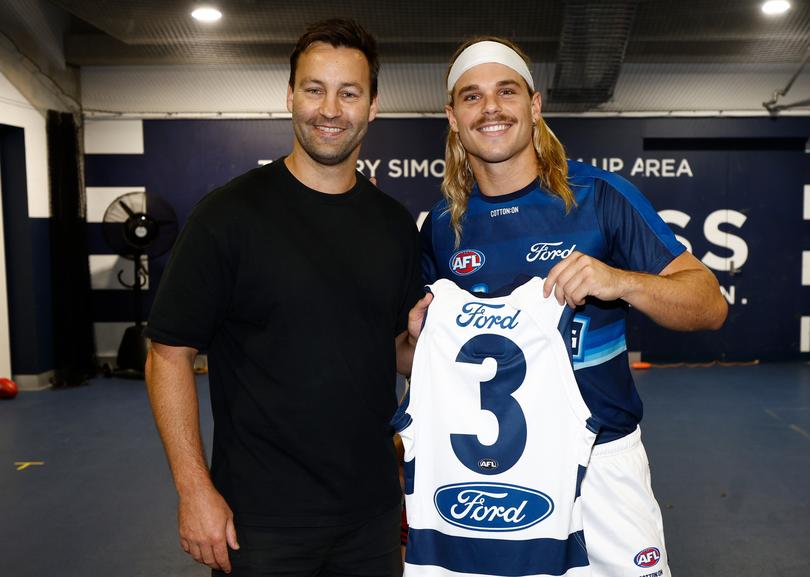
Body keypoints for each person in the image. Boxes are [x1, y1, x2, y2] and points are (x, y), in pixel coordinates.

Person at [409, 37, 728, 576]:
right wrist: (417, 339)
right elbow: (411, 359)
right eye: (472, 96)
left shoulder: (599, 196)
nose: (490, 108)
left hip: (602, 464)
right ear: (452, 116)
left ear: (534, 105)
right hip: (492, 478)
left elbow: (709, 305)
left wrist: (621, 281)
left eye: (506, 91)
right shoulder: (442, 227)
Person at [144, 19, 423, 577]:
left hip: (370, 516)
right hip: (260, 520)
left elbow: (391, 350)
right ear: (290, 96)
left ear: (372, 107)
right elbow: (166, 355)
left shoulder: (393, 225)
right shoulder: (228, 216)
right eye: (314, 88)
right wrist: (195, 489)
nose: (330, 108)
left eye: (349, 93)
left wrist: (446, 343)